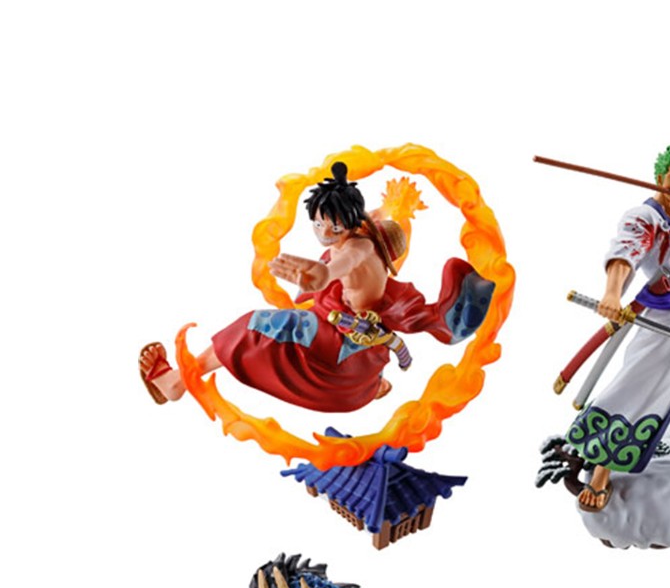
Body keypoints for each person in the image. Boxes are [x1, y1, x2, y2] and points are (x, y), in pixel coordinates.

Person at [140, 161, 494, 415]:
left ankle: (177, 382)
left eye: (333, 226)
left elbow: (340, 266)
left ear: (351, 225)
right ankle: (373, 383)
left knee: (254, 326)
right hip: (356, 341)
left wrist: (323, 275)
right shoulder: (362, 229)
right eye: (318, 223)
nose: (324, 232)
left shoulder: (357, 249)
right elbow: (372, 219)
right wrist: (396, 204)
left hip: (342, 350)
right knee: (301, 309)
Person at [565, 143, 670, 511]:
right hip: (665, 318)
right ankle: (603, 467)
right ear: (659, 177)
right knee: (642, 384)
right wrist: (612, 293)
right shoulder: (644, 217)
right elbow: (625, 254)